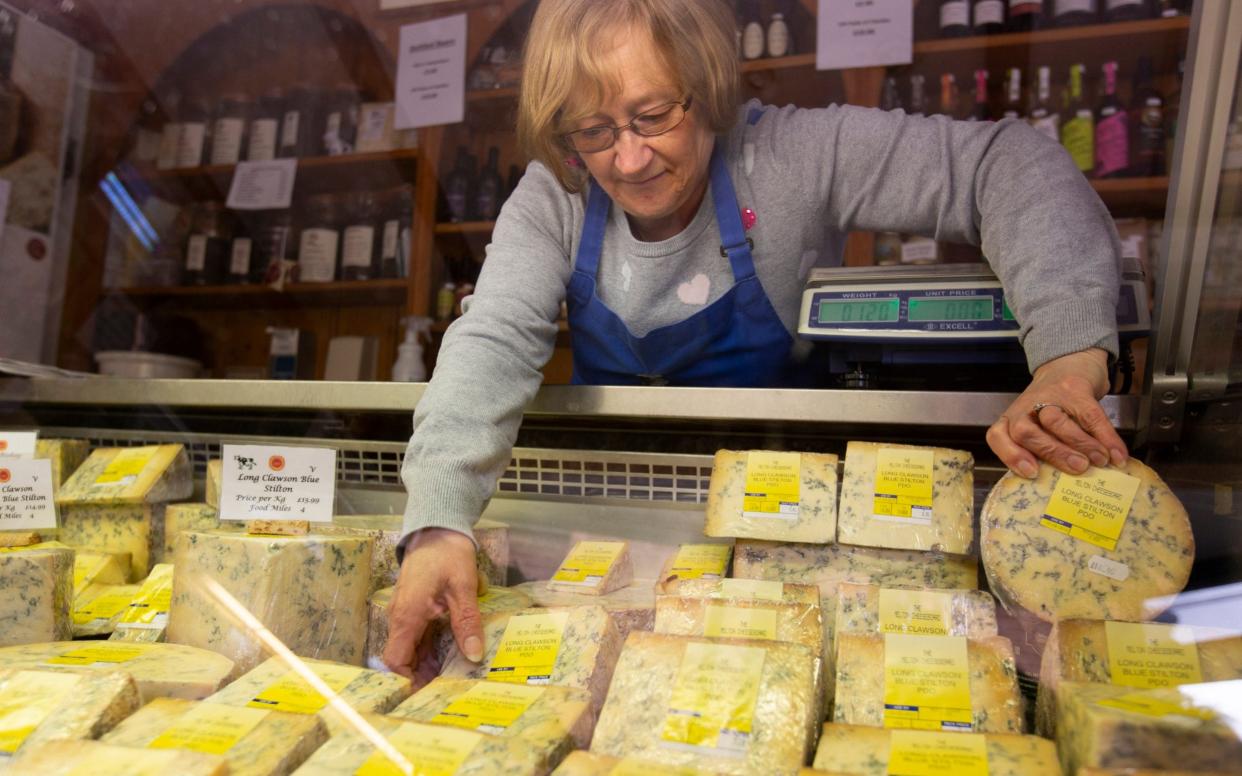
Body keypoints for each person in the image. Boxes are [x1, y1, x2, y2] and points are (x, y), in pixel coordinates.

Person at [383, 0, 1128, 680]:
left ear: (705, 87)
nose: (629, 159)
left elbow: (1008, 165)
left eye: (653, 116)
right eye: (595, 131)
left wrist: (1067, 358)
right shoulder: (559, 193)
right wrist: (439, 518)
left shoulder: (791, 158)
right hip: (623, 546)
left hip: (787, 543)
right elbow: (495, 337)